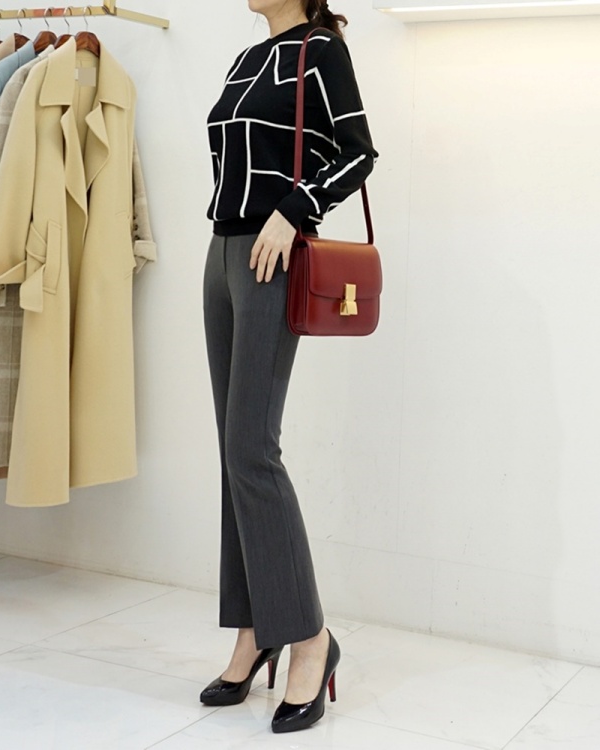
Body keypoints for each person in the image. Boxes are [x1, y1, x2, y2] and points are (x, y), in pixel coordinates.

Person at [200, 0, 379, 735]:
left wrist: (294, 209)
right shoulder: (247, 59)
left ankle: (310, 638)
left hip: (274, 258)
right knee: (233, 451)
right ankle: (255, 629)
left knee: (253, 448)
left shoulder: (320, 51)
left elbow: (359, 152)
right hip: (222, 254)